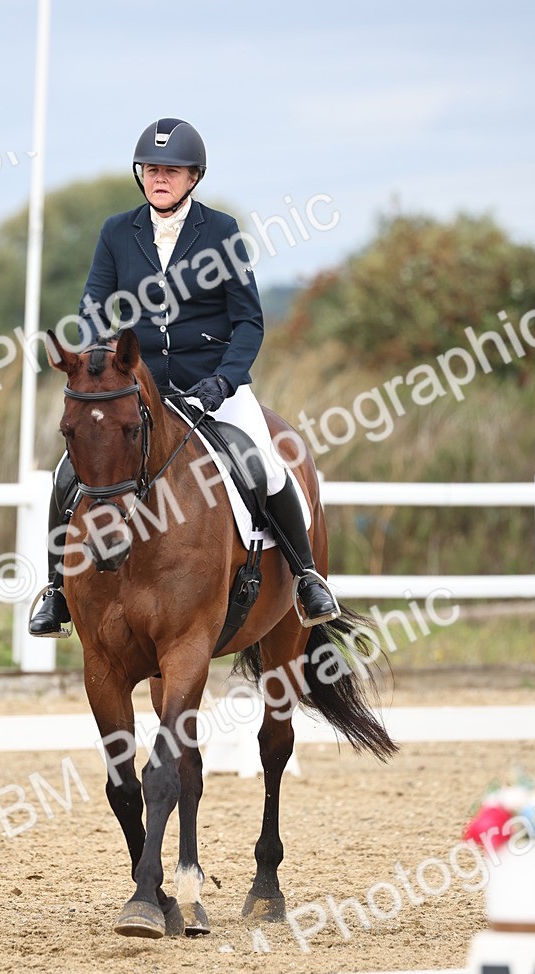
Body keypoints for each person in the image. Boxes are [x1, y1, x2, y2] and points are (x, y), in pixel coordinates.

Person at [30, 117, 339, 635]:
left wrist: (225, 380)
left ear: (193, 177)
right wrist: (98, 362)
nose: (160, 178)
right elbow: (94, 307)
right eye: (151, 169)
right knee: (68, 473)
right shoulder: (116, 232)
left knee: (266, 465)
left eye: (171, 171)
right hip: (138, 387)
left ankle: (307, 577)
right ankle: (56, 591)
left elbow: (249, 321)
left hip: (212, 386)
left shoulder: (220, 231)